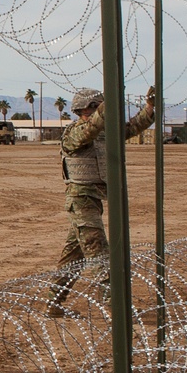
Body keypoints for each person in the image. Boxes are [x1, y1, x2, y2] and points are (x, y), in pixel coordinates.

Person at [46, 84, 158, 317]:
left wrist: (149, 108)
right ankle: (117, 308)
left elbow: (131, 127)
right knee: (99, 253)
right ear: (89, 108)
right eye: (99, 107)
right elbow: (89, 130)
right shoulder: (74, 132)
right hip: (81, 200)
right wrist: (107, 108)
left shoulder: (105, 131)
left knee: (73, 255)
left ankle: (53, 303)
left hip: (94, 199)